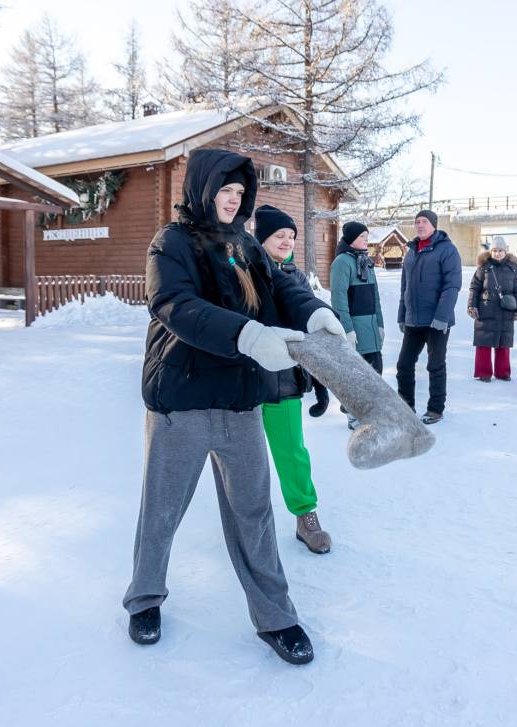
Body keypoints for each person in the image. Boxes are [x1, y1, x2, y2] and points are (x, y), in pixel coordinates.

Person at [125, 148, 345, 665]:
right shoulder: (171, 243)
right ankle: (144, 598)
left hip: (239, 402)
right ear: (203, 189)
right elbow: (175, 305)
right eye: (224, 191)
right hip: (181, 402)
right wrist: (246, 334)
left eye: (239, 194)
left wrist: (315, 314)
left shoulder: (246, 245)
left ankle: (276, 616)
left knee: (254, 513)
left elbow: (284, 286)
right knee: (162, 510)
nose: (231, 200)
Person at [254, 204, 333, 555]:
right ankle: (246, 521)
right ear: (261, 239)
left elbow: (309, 335)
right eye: (278, 236)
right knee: (240, 459)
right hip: (242, 378)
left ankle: (305, 515)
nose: (286, 241)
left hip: (283, 380)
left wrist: (319, 381)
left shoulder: (298, 279)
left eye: (290, 236)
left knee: (292, 453)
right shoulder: (244, 272)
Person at [396, 209, 462, 425]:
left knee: (435, 365)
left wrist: (442, 317)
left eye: (424, 221)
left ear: (434, 224)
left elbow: (452, 286)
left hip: (436, 320)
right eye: (417, 222)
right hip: (414, 319)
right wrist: (402, 315)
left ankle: (435, 409)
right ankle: (405, 406)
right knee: (404, 364)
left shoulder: (447, 250)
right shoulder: (412, 251)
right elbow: (404, 287)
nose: (419, 225)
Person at [330, 220, 385, 429]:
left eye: (367, 236)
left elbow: (375, 297)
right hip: (355, 328)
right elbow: (339, 298)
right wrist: (347, 329)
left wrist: (380, 324)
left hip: (371, 328)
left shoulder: (366, 261)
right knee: (357, 375)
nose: (366, 240)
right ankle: (354, 415)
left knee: (375, 371)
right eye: (363, 237)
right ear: (352, 239)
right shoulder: (342, 262)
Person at [468, 235, 517, 382]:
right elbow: (474, 288)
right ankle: (483, 373)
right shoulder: (484, 268)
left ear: (505, 251)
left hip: (506, 310)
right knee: (484, 343)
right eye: (494, 250)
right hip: (486, 309)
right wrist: (471, 305)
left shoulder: (512, 269)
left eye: (500, 250)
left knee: (503, 343)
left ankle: (503, 372)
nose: (497, 253)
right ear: (490, 252)